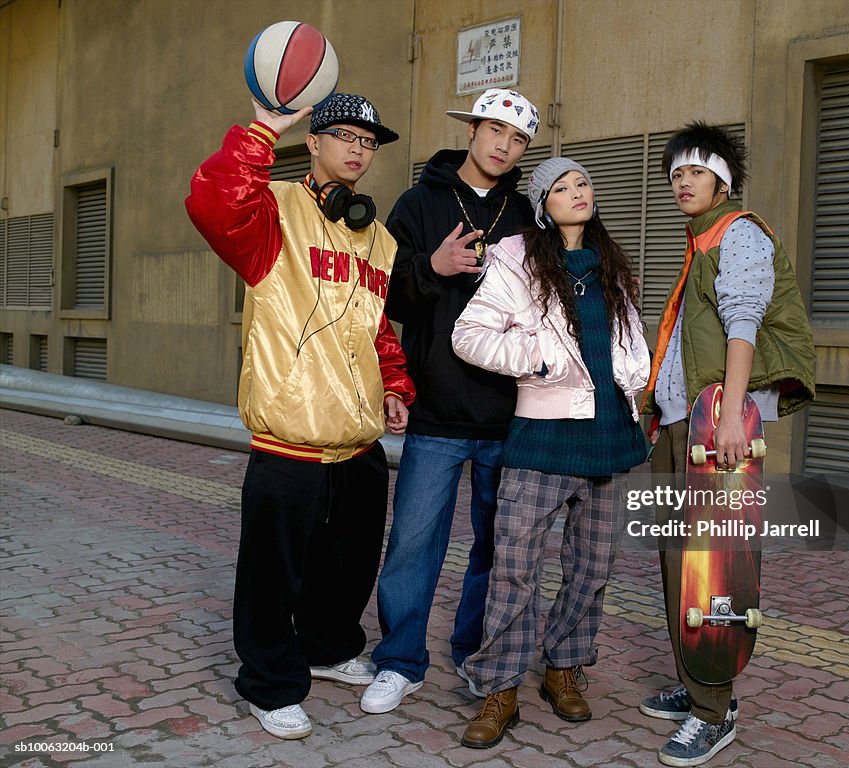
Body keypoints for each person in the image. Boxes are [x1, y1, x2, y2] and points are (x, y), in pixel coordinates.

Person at [184, 92, 415, 740]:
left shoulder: (379, 237)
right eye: (344, 136)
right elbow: (211, 201)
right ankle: (269, 682)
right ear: (312, 142)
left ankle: (330, 647)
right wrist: (262, 129)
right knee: (272, 574)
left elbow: (375, 329)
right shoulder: (272, 212)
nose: (357, 150)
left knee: (348, 565)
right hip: (291, 440)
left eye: (368, 142)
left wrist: (394, 385)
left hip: (358, 442)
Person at [451, 158, 651, 748]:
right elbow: (470, 335)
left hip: (610, 434)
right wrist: (538, 359)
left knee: (592, 568)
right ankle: (501, 687)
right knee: (515, 569)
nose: (576, 193)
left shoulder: (613, 266)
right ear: (543, 204)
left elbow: (628, 343)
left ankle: (564, 666)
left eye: (583, 182)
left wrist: (639, 390)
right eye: (561, 188)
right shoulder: (517, 260)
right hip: (540, 436)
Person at [638, 122, 815, 766]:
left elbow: (743, 323)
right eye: (674, 174)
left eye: (694, 170)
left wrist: (736, 415)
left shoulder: (738, 234)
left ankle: (716, 708)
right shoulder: (700, 241)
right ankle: (696, 685)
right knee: (678, 562)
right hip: (685, 423)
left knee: (716, 566)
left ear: (723, 178)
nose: (682, 182)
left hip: (716, 424)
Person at [361, 89, 541, 714]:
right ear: (472, 130)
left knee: (498, 545)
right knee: (413, 541)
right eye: (494, 130)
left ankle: (475, 655)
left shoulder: (526, 214)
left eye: (517, 139)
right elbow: (378, 294)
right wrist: (432, 265)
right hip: (436, 405)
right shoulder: (418, 202)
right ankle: (400, 661)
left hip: (508, 411)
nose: (503, 145)